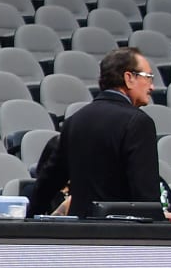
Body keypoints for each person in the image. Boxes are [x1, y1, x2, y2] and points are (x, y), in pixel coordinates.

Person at [29, 47, 161, 219]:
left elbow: (48, 183)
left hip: (81, 236)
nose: (152, 86)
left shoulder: (74, 121)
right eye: (148, 77)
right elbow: (146, 196)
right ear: (129, 78)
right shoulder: (138, 123)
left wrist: (27, 218)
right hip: (122, 237)